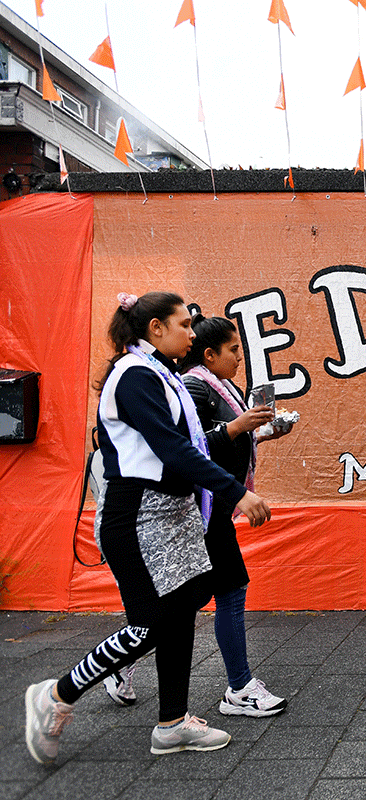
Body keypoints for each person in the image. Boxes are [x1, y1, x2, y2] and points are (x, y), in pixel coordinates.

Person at [24, 291, 271, 765]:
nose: (193, 333)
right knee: (151, 624)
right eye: (183, 325)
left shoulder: (164, 374)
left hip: (173, 515)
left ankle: (172, 724)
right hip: (137, 516)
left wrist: (238, 440)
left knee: (182, 610)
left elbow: (193, 443)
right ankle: (56, 694)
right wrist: (236, 492)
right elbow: (173, 449)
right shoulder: (134, 375)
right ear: (155, 328)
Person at [179, 312, 289, 716]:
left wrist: (258, 431)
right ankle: (239, 688)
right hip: (201, 510)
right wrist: (239, 426)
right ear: (209, 355)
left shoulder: (221, 386)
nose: (239, 357)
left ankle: (124, 663)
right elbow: (189, 448)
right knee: (224, 593)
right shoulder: (193, 386)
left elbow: (227, 438)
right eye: (233, 349)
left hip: (215, 509)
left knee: (196, 599)